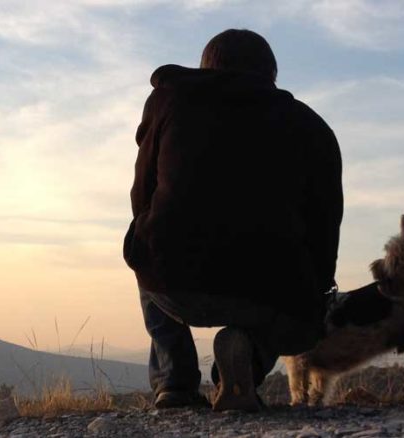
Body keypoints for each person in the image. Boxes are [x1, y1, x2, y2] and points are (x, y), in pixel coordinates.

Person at [123, 29, 343, 411]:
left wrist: (147, 237)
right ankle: (247, 359)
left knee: (149, 239)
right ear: (272, 74)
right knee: (295, 303)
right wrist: (315, 295)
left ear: (206, 69)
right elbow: (325, 225)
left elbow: (142, 193)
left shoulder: (169, 102)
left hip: (175, 281)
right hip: (271, 291)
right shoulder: (312, 127)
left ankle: (174, 383)